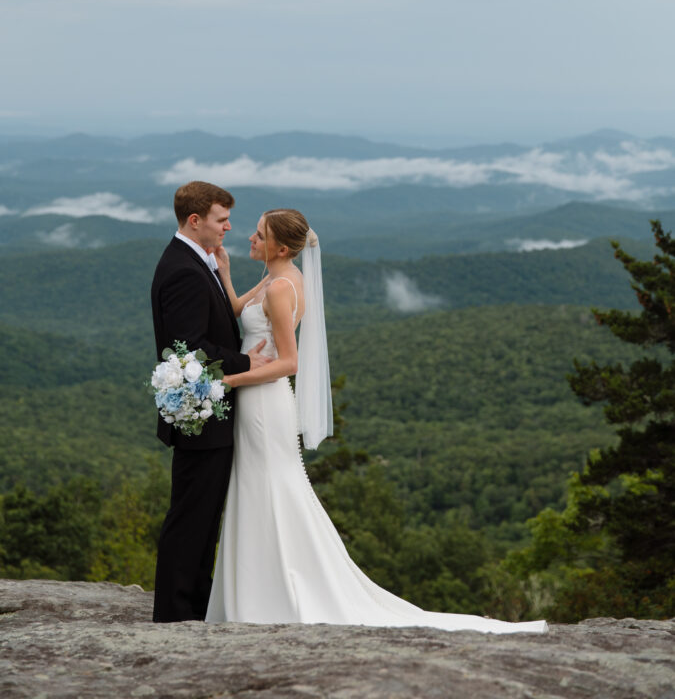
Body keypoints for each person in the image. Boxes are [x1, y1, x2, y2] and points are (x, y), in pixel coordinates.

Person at [205, 208, 547, 634]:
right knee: (260, 484)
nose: (250, 239)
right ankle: (261, 586)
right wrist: (225, 274)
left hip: (262, 400)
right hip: (257, 396)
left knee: (269, 484)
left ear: (281, 247)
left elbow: (289, 362)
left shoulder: (280, 288)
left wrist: (229, 380)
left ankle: (268, 591)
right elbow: (242, 312)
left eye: (259, 235)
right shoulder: (279, 277)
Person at [150, 181, 271, 622]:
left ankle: (192, 607)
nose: (229, 227)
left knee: (202, 519)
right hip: (200, 419)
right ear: (195, 220)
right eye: (221, 220)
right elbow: (189, 349)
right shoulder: (183, 269)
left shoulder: (196, 261)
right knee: (191, 519)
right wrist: (246, 361)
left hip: (208, 414)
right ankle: (175, 614)